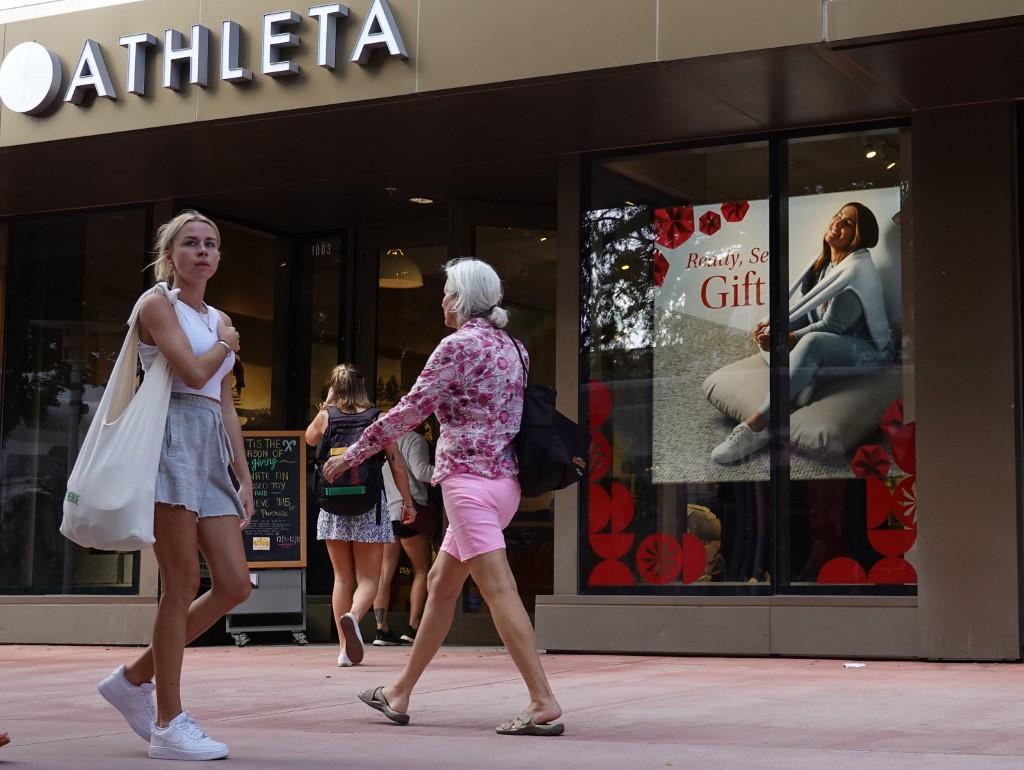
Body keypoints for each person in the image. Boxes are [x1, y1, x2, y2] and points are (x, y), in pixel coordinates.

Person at [326, 257, 564, 737]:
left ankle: (542, 700)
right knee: (440, 585)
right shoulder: (514, 347)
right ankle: (399, 692)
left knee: (499, 591)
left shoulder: (456, 346)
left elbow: (411, 410)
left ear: (460, 299)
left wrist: (353, 452)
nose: (440, 299)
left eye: (445, 290)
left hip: (466, 484)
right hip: (504, 485)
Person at [97, 211, 252, 761]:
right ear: (170, 255)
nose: (203, 252)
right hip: (170, 437)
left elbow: (223, 401)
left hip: (208, 441)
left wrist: (243, 469)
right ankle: (168, 721)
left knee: (235, 583)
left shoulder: (220, 317)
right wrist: (227, 344)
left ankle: (133, 677)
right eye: (191, 243)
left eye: (211, 244)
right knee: (181, 580)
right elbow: (190, 372)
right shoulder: (156, 304)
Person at [712, 202, 893, 464]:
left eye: (848, 223)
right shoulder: (824, 264)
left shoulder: (856, 271)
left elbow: (831, 327)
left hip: (867, 349)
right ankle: (803, 380)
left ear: (859, 236)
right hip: (833, 340)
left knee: (812, 342)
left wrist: (792, 338)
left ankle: (758, 426)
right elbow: (806, 311)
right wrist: (774, 328)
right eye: (838, 217)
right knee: (772, 329)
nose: (837, 224)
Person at [304, 365, 416, 667]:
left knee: (342, 577)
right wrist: (407, 501)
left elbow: (309, 440)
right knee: (369, 579)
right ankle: (353, 616)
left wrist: (327, 404)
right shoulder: (378, 419)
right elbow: (396, 463)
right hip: (369, 505)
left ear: (335, 388)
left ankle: (344, 650)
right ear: (362, 387)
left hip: (332, 505)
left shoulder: (326, 417)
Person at [372, 425, 435, 646]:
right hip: (411, 510)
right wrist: (447, 471)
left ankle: (381, 629)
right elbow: (420, 471)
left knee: (384, 573)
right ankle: (413, 627)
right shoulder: (415, 440)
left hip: (389, 511)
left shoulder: (385, 441)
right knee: (421, 571)